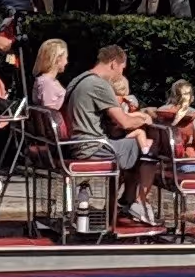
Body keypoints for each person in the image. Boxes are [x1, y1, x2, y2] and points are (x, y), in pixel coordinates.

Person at [63, 45, 158, 225]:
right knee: (150, 146)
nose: (121, 73)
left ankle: (126, 202)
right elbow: (124, 122)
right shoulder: (99, 84)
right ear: (114, 63)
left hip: (77, 143)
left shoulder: (78, 80)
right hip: (94, 147)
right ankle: (137, 203)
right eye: (122, 68)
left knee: (133, 147)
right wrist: (145, 119)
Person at [154, 80, 195, 222]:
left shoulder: (161, 113)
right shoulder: (193, 117)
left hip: (165, 164)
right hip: (185, 163)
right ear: (190, 97)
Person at [109, 74, 152, 155]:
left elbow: (133, 107)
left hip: (118, 134)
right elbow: (124, 116)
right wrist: (141, 116)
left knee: (142, 131)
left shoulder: (117, 100)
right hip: (118, 137)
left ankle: (145, 149)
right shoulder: (119, 101)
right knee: (140, 132)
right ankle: (145, 152)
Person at [31, 38, 68, 110]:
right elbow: (49, 113)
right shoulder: (47, 83)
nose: (67, 62)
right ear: (58, 59)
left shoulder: (46, 81)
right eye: (66, 58)